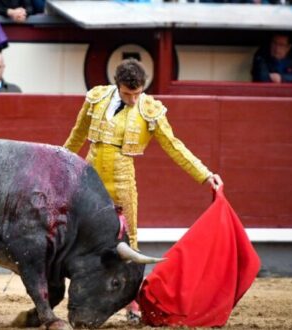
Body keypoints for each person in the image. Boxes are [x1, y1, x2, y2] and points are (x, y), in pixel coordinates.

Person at [63, 59, 223, 322]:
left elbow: (174, 146)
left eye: (138, 93)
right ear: (117, 86)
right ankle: (84, 292)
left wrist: (205, 175)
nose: (134, 99)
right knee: (82, 235)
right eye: (128, 94)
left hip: (122, 179)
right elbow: (77, 136)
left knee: (130, 242)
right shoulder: (96, 98)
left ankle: (133, 304)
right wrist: (57, 169)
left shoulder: (150, 109)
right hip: (89, 177)